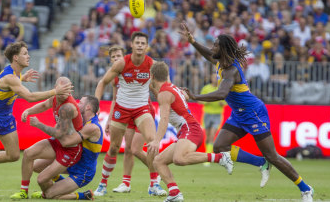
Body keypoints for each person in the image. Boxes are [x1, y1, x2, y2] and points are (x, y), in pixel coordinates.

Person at [179, 22, 314, 202]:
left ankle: (305, 188)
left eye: (216, 44)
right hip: (239, 113)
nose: (213, 48)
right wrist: (193, 41)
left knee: (272, 155)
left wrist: (195, 96)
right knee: (220, 146)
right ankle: (260, 163)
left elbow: (222, 93)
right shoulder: (221, 61)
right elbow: (208, 54)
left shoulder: (231, 70)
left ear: (224, 49)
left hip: (253, 112)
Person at [0, 42, 72, 198]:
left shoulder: (15, 74)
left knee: (14, 156)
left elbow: (14, 82)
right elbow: (30, 97)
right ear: (16, 57)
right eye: (25, 53)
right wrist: (55, 91)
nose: (29, 56)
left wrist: (23, 78)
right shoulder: (10, 77)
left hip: (6, 117)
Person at [147, 62, 233, 202]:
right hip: (189, 129)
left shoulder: (165, 93)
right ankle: (174, 192)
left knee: (179, 159)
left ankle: (221, 158)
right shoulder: (171, 88)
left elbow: (163, 119)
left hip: (190, 128)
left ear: (152, 76)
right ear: (167, 75)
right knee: (158, 161)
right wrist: (153, 89)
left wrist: (156, 141)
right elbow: (176, 98)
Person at [94, 32, 166, 197]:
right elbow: (102, 82)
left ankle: (154, 184)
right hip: (122, 108)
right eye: (137, 43)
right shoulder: (121, 63)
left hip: (142, 108)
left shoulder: (152, 64)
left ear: (146, 46)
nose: (140, 45)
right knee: (113, 148)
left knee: (152, 142)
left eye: (143, 43)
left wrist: (173, 96)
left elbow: (161, 86)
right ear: (131, 45)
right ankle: (102, 184)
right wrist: (96, 105)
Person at [12, 95, 103, 200]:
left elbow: (67, 142)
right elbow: (45, 105)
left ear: (88, 107)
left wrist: (40, 125)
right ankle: (56, 188)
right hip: (73, 161)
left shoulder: (92, 127)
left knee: (50, 195)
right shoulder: (81, 119)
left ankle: (84, 195)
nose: (77, 104)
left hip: (83, 171)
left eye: (81, 102)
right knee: (36, 166)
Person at [10, 77, 84, 199]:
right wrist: (29, 111)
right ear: (56, 89)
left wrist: (38, 124)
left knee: (41, 180)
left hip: (71, 150)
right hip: (58, 143)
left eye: (68, 91)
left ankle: (74, 194)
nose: (65, 94)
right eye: (62, 90)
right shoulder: (55, 98)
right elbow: (44, 105)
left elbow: (59, 133)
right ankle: (23, 192)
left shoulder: (68, 107)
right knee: (29, 153)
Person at [106, 46, 158, 193]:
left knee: (136, 149)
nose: (116, 59)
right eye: (113, 57)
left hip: (143, 111)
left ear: (125, 57)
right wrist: (110, 119)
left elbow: (154, 88)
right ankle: (126, 183)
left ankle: (157, 171)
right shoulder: (114, 77)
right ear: (111, 60)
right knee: (129, 149)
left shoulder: (139, 68)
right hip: (126, 112)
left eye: (118, 56)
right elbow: (115, 99)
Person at [199, 72, 226, 166]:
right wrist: (206, 101)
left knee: (211, 135)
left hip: (217, 115)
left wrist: (223, 103)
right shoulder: (206, 88)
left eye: (216, 77)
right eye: (213, 77)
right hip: (207, 114)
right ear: (211, 78)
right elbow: (200, 100)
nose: (215, 79)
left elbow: (226, 101)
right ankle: (208, 154)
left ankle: (208, 158)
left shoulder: (222, 89)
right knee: (207, 137)